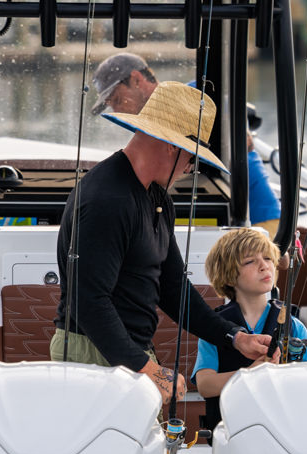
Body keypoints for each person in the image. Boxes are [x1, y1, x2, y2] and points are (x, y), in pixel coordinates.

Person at [53, 81, 271, 402]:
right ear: (172, 146)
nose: (191, 168)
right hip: (91, 353)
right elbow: (88, 302)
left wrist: (233, 336)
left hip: (127, 352)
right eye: (192, 158)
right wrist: (147, 368)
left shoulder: (157, 198)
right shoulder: (107, 199)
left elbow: (173, 289)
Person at [89, 53, 281, 233]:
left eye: (117, 99)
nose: (116, 110)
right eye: (111, 105)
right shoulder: (161, 126)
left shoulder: (192, 98)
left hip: (258, 217)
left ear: (137, 79)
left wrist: (237, 127)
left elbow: (229, 111)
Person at [190, 226, 307, 430]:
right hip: (230, 430)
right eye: (250, 261)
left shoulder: (294, 326)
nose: (264, 266)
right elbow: (205, 385)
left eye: (268, 258)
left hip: (285, 429)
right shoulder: (214, 328)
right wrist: (249, 373)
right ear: (229, 276)